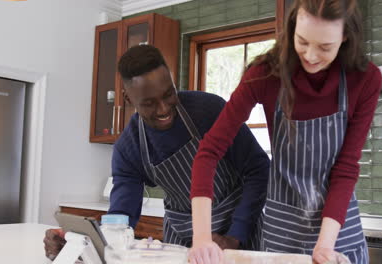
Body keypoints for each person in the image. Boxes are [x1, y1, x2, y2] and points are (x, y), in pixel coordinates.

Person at [188, 0, 382, 263]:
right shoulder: (265, 75)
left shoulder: (365, 79)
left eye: (325, 47)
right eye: (302, 41)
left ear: (346, 37)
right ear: (292, 27)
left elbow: (346, 168)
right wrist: (201, 239)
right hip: (282, 235)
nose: (311, 56)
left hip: (337, 236)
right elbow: (209, 151)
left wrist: (324, 246)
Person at [43, 45, 269, 260]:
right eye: (149, 103)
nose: (163, 109)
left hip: (241, 227)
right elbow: (121, 219)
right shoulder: (129, 147)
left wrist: (235, 235)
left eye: (169, 94)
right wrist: (76, 244)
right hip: (183, 239)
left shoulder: (208, 110)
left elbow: (258, 169)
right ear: (128, 99)